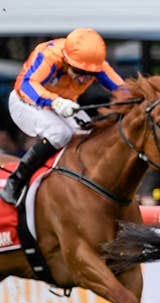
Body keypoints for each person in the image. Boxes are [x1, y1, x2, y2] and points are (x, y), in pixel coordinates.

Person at [2, 28, 124, 204]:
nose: (83, 78)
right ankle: (16, 181)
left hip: (62, 105)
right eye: (78, 71)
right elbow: (26, 85)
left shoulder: (97, 65)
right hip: (26, 101)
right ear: (66, 60)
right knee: (60, 133)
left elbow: (124, 90)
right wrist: (55, 102)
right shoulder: (50, 55)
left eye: (89, 74)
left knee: (89, 135)